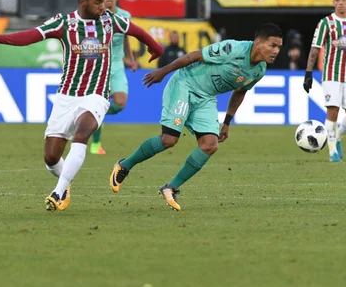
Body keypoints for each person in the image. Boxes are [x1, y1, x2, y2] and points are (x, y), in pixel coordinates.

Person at [0, 0, 163, 212]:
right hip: (67, 96)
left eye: (104, 1)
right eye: (97, 2)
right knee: (51, 157)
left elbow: (136, 31)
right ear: (82, 1)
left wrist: (157, 48)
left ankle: (58, 191)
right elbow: (30, 36)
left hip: (96, 94)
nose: (102, 7)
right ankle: (66, 181)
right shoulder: (64, 23)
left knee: (82, 132)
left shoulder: (110, 21)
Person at [109, 23, 283, 211]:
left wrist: (227, 122)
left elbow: (240, 92)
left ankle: (170, 187)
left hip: (206, 98)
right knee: (169, 140)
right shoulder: (233, 48)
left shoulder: (259, 70)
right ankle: (124, 166)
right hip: (185, 84)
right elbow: (194, 56)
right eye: (272, 45)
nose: (276, 51)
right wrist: (163, 72)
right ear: (258, 42)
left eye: (279, 47)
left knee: (210, 145)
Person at [303, 0, 346, 162]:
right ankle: (332, 152)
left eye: (343, 0)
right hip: (331, 74)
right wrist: (308, 72)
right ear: (334, 3)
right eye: (337, 0)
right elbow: (315, 48)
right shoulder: (325, 23)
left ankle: (337, 137)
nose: (340, 3)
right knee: (333, 111)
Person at [90, 0, 139, 155]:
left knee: (120, 103)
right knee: (99, 103)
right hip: (99, 65)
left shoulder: (125, 15)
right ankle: (95, 145)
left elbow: (126, 37)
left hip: (117, 65)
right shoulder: (95, 15)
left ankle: (90, 116)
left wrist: (131, 59)